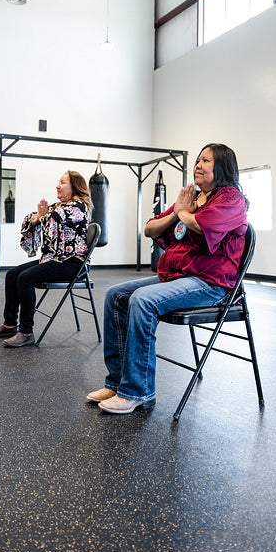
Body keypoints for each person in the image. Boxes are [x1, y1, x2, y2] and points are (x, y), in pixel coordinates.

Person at [87, 143, 248, 414]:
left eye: (206, 161)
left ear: (222, 167)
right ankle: (117, 382)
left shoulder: (231, 198)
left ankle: (137, 392)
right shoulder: (192, 198)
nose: (198, 165)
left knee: (143, 300)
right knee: (116, 296)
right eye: (198, 160)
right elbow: (151, 228)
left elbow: (202, 225)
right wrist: (177, 212)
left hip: (212, 284)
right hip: (179, 277)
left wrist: (183, 213)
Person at [0, 170, 92, 347]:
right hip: (55, 259)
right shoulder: (59, 206)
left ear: (75, 187)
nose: (58, 186)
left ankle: (26, 332)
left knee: (25, 278)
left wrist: (42, 217)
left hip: (72, 263)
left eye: (63, 182)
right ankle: (10, 324)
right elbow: (37, 217)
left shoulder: (79, 207)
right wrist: (37, 218)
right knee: (12, 275)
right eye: (58, 182)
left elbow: (57, 218)